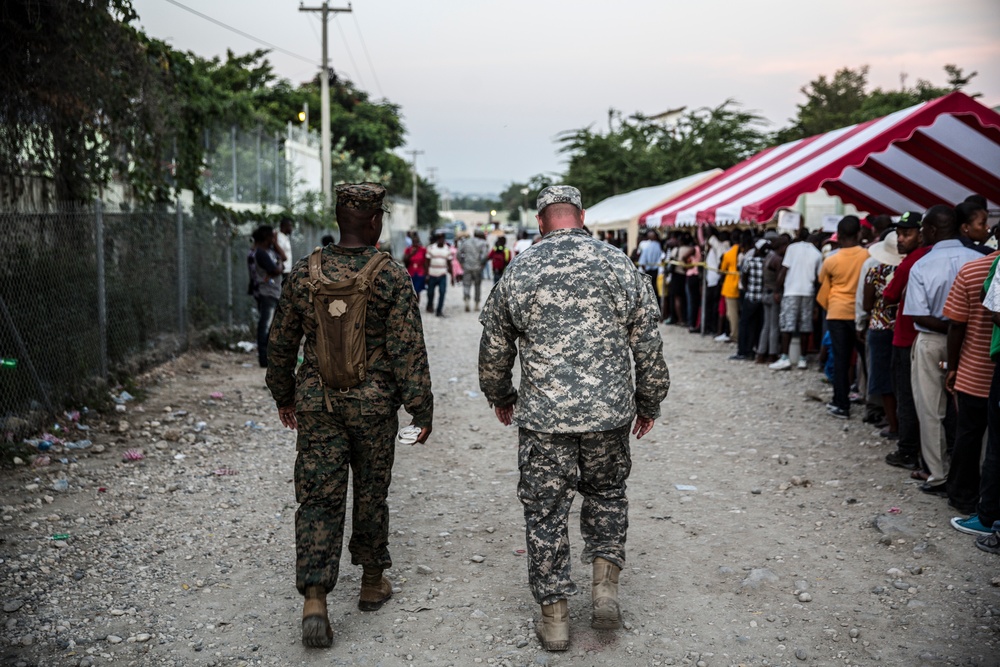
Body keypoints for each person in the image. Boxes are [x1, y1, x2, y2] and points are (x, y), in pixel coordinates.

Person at [478, 185, 670, 652]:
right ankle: (604, 590)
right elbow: (647, 344)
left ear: (542, 220)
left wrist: (501, 395)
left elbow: (493, 351)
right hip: (608, 416)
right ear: (581, 216)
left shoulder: (520, 267)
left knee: (544, 513)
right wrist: (649, 402)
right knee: (607, 494)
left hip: (544, 419)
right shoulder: (619, 264)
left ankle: (557, 620)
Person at [264, 183, 434, 649]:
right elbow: (407, 351)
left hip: (318, 405)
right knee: (371, 490)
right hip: (374, 408)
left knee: (318, 496)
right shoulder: (391, 276)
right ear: (376, 221)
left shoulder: (305, 273)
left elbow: (279, 343)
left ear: (339, 218)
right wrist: (421, 409)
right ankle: (372, 580)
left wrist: (284, 395)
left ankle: (315, 597)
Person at [904, 205, 982, 495]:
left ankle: (938, 474)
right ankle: (975, 476)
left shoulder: (922, 264)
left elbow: (917, 314)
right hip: (972, 343)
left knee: (930, 410)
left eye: (923, 228)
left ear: (933, 230)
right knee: (973, 413)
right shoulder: (979, 259)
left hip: (932, 341)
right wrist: (962, 330)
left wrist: (951, 329)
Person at [945, 224, 1000, 528]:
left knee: (969, 434)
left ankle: (963, 496)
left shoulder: (974, 268)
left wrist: (952, 367)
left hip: (974, 367)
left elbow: (956, 324)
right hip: (993, 369)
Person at [882, 212, 931, 470]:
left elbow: (889, 295)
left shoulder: (911, 262)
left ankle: (908, 449)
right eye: (899, 233)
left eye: (907, 233)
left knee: (908, 396)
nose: (900, 239)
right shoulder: (929, 257)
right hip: (927, 335)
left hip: (906, 337)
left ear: (921, 233)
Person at [817, 216, 869, 419]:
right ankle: (874, 403)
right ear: (859, 233)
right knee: (866, 359)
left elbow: (822, 281)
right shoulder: (867, 255)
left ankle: (841, 403)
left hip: (837, 312)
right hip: (860, 313)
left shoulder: (831, 260)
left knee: (841, 359)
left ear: (838, 235)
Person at [862, 231, 905, 439]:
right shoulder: (910, 269)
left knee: (884, 378)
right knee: (902, 378)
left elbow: (866, 304)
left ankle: (893, 424)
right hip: (904, 329)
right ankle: (905, 424)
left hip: (880, 328)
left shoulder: (874, 272)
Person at [770, 230, 822, 370]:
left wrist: (777, 290)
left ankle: (785, 357)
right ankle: (802, 359)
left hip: (791, 291)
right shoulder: (817, 254)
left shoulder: (792, 248)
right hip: (808, 292)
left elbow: (784, 270)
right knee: (805, 327)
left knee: (787, 326)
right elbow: (818, 280)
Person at [251, 225, 284, 368]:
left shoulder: (269, 251)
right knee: (265, 326)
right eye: (272, 237)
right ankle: (264, 359)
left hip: (274, 292)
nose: (274, 239)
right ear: (267, 238)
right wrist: (280, 266)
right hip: (267, 293)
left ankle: (270, 357)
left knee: (272, 327)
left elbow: (283, 257)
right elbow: (276, 269)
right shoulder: (261, 253)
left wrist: (275, 244)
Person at [734, 237, 766, 361]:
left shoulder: (750, 261)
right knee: (758, 324)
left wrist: (748, 289)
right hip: (762, 298)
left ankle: (743, 350)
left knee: (745, 324)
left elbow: (744, 278)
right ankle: (754, 348)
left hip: (751, 296)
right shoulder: (767, 261)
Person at [716, 236, 742, 342]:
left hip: (730, 286)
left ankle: (734, 334)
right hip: (740, 285)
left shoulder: (728, 254)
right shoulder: (743, 251)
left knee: (732, 313)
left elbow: (721, 270)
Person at [458, 230, 490, 311]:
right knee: (477, 286)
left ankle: (467, 300)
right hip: (477, 267)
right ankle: (476, 304)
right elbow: (485, 256)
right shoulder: (483, 243)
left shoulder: (466, 242)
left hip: (467, 266)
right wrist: (482, 265)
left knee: (466, 284)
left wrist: (462, 263)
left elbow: (458, 253)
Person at [424, 232, 453, 317]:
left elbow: (449, 263)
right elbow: (427, 262)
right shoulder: (431, 248)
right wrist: (427, 274)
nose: (441, 240)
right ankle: (430, 305)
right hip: (432, 273)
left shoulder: (447, 249)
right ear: (437, 239)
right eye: (439, 238)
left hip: (442, 274)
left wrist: (452, 277)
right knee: (430, 292)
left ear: (444, 239)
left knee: (442, 292)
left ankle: (439, 310)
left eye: (442, 238)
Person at [636, 230, 664, 299]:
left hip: (649, 272)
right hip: (657, 271)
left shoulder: (647, 247)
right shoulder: (659, 246)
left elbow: (642, 261)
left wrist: (645, 270)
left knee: (650, 291)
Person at [276, 216, 294, 282]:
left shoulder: (285, 237)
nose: (291, 228)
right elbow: (278, 253)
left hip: (287, 270)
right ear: (284, 226)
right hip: (282, 270)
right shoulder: (279, 237)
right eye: (290, 226)